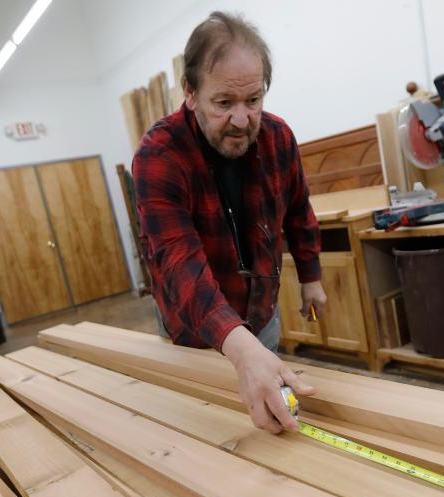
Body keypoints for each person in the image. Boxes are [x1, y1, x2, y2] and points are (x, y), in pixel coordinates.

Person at [132, 11, 326, 434]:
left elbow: (298, 210)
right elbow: (178, 262)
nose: (242, 120)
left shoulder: (278, 138)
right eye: (224, 103)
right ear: (190, 92)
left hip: (260, 312)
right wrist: (240, 348)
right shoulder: (159, 157)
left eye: (253, 100)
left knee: (266, 428)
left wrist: (311, 274)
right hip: (193, 326)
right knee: (208, 427)